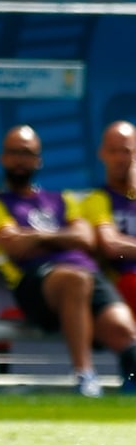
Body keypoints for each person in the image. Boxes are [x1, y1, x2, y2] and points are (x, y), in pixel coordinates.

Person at [0, 125, 136, 396]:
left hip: (87, 276)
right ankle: (85, 375)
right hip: (34, 283)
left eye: (26, 153)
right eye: (13, 152)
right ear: (3, 158)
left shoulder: (63, 199)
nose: (19, 159)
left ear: (38, 160)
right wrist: (62, 236)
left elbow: (85, 239)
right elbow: (15, 246)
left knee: (123, 330)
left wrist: (36, 237)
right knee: (74, 280)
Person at [81, 121, 136, 312]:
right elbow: (111, 245)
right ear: (102, 154)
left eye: (126, 151)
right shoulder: (96, 199)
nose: (120, 158)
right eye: (113, 151)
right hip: (122, 287)